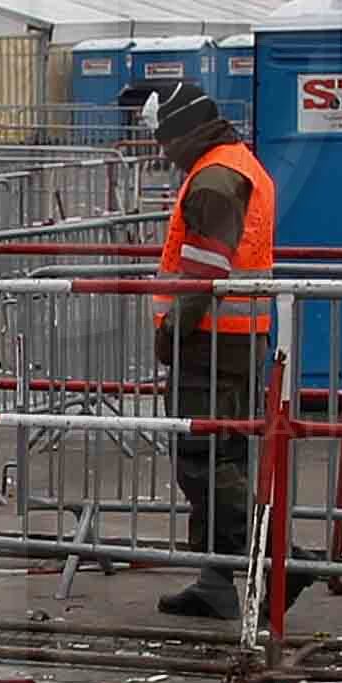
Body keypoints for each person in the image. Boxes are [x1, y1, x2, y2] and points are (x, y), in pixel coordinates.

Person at [147, 80, 282, 623]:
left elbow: (204, 271)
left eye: (164, 140)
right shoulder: (236, 163)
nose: (162, 151)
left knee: (208, 462)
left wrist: (170, 333)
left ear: (182, 132)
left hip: (212, 345)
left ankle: (273, 564)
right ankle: (217, 578)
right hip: (233, 341)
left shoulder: (214, 180)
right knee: (221, 457)